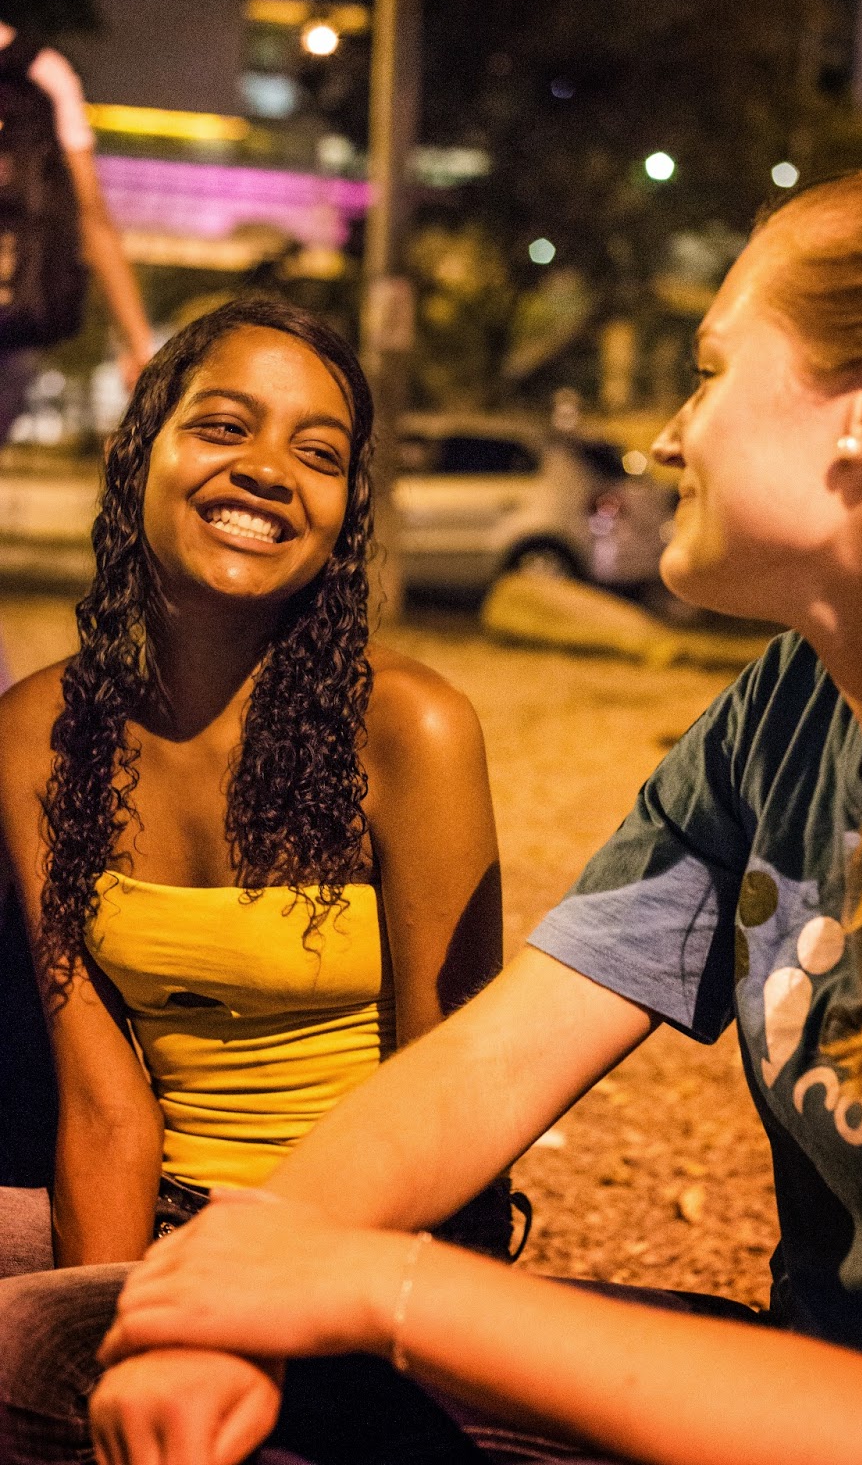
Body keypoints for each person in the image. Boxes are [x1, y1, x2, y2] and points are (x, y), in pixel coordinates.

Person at [8, 163, 862, 1465]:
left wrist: (372, 1289)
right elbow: (492, 1060)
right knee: (57, 1348)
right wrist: (228, 1286)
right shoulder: (789, 708)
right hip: (792, 1376)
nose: (668, 436)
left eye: (709, 372)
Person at [0, 295, 507, 1451]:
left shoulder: (411, 731)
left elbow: (456, 1104)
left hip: (363, 1253)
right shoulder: (35, 736)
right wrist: (121, 1342)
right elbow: (105, 1107)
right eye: (224, 426)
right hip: (164, 1230)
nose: (270, 471)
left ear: (344, 511)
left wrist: (282, 1307)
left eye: (318, 454)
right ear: (141, 450)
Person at [0, 23, 154, 435]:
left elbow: (92, 219)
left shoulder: (39, 73)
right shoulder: (42, 71)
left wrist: (139, 343)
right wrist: (138, 343)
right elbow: (93, 218)